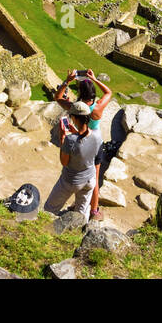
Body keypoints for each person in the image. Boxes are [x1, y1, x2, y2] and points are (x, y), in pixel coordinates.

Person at [55, 68, 113, 221]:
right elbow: (108, 92)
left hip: (80, 142)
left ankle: (78, 203)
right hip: (96, 142)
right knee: (94, 177)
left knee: (78, 173)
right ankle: (94, 210)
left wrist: (67, 81)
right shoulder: (98, 107)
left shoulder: (75, 107)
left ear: (80, 92)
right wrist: (94, 79)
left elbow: (58, 97)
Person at [50, 100, 104, 225]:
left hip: (71, 181)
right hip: (89, 180)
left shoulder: (70, 140)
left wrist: (63, 138)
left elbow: (64, 162)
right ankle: (79, 229)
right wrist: (75, 132)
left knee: (50, 208)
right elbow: (84, 143)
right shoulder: (97, 136)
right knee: (81, 213)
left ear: (73, 118)